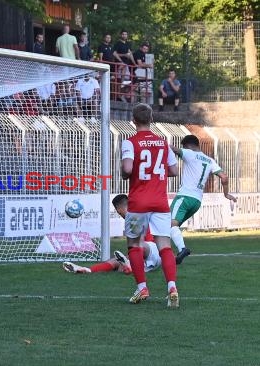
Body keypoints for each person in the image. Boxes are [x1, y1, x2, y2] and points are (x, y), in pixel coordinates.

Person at [120, 103, 180, 308]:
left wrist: (124, 170)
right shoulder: (163, 142)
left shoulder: (130, 142)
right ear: (151, 119)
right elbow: (173, 170)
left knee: (134, 245)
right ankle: (172, 287)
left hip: (138, 202)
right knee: (165, 246)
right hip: (160, 202)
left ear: (134, 120)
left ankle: (142, 288)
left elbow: (127, 169)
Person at [169, 135, 236, 264]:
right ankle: (167, 256)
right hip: (197, 201)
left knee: (170, 225)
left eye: (184, 147)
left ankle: (182, 249)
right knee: (171, 228)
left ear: (188, 146)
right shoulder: (210, 160)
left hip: (184, 197)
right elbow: (224, 177)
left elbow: (172, 148)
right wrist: (226, 194)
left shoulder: (189, 153)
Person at [63, 194, 162, 275]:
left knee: (139, 247)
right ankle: (88, 270)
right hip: (152, 257)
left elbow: (149, 243)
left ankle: (128, 264)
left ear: (118, 209)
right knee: (116, 263)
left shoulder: (135, 216)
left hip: (153, 251)